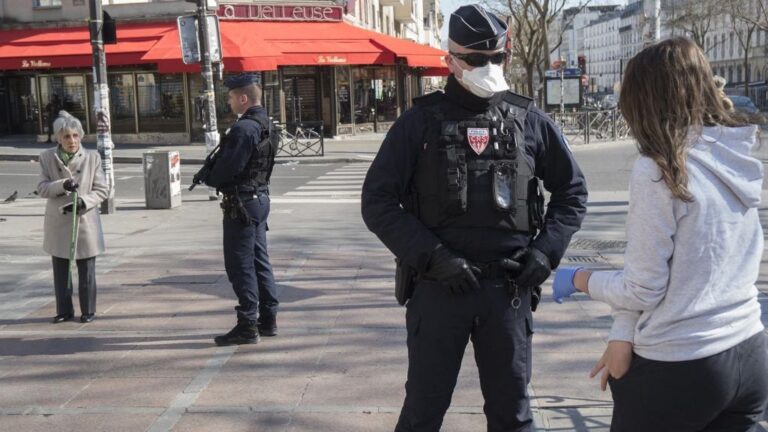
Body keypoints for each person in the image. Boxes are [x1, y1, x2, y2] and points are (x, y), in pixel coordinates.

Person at [361, 5, 588, 431]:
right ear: (449, 59)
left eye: (496, 58)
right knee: (422, 414)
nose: (487, 67)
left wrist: (546, 253)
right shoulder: (418, 123)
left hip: (509, 290)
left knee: (513, 416)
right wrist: (431, 256)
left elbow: (572, 191)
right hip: (438, 289)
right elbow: (377, 200)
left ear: (509, 53)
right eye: (475, 59)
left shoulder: (530, 120)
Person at [552, 37, 768, 432]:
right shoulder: (733, 154)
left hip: (683, 363)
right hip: (750, 352)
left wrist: (580, 279)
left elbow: (642, 287)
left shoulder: (659, 169)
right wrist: (621, 332)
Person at [204, 73, 279, 346]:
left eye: (231, 96)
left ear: (243, 97)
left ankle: (248, 324)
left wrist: (211, 177)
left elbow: (227, 169)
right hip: (259, 199)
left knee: (240, 265)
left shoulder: (244, 128)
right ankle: (268, 318)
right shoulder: (267, 125)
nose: (229, 101)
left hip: (242, 204)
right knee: (259, 260)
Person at [37, 111, 107, 324]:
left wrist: (83, 202)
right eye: (66, 136)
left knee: (86, 270)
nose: (72, 141)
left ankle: (88, 310)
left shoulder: (92, 157)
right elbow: (41, 188)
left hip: (84, 222)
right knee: (61, 271)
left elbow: (102, 190)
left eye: (76, 136)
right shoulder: (47, 157)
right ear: (58, 138)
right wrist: (62, 185)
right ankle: (64, 310)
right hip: (58, 222)